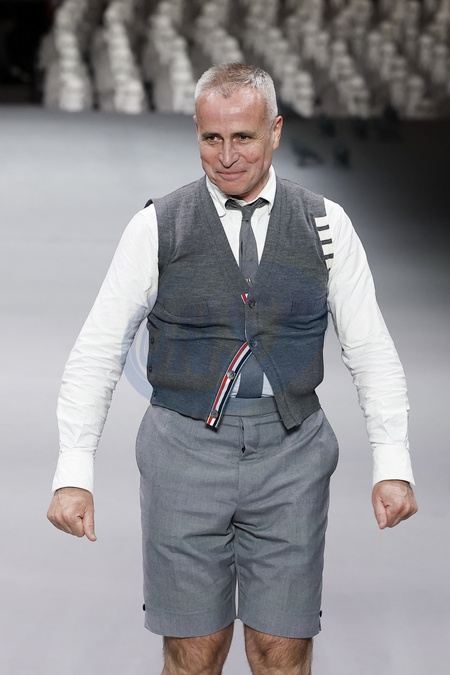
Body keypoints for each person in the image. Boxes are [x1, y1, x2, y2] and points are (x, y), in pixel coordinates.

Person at [47, 63, 418, 675]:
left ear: (275, 131)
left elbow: (371, 349)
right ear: (196, 132)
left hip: (292, 456)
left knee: (281, 653)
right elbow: (99, 349)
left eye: (243, 137)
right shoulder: (156, 226)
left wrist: (393, 464)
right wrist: (72, 472)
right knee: (193, 655)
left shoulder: (326, 224)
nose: (226, 156)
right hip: (182, 455)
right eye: (211, 138)